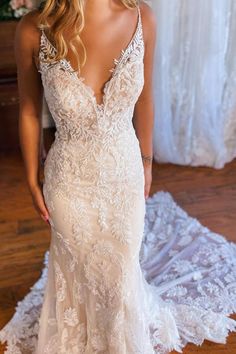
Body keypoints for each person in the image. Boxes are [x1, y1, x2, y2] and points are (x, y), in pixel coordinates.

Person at [0, 1, 236, 353]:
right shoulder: (34, 29)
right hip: (69, 181)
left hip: (124, 173)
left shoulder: (142, 17)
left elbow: (145, 100)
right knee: (81, 269)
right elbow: (31, 110)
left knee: (121, 273)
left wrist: (147, 163)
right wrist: (33, 176)